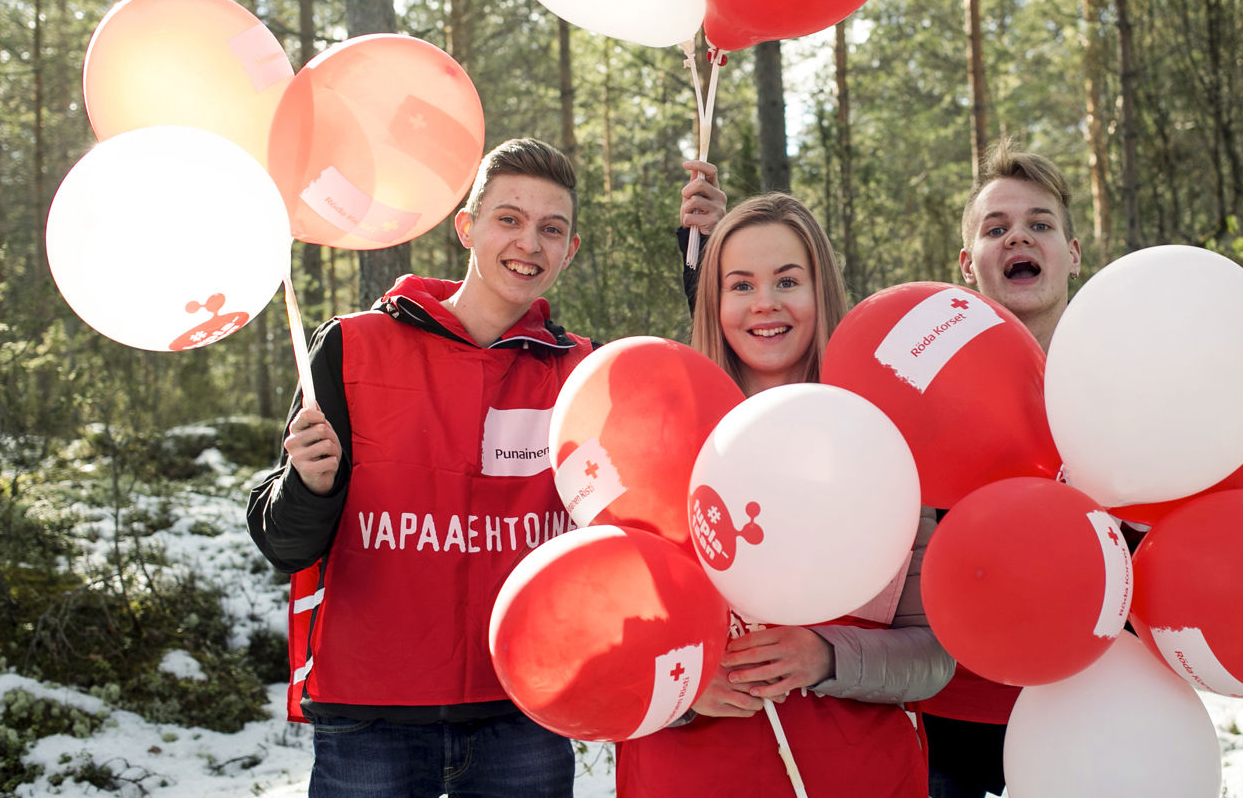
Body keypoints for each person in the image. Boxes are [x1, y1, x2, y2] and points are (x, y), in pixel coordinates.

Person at [246, 137, 594, 798]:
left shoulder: (581, 372)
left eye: (553, 229)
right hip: (371, 718)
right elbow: (284, 544)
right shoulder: (354, 346)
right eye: (509, 219)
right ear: (467, 228)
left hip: (522, 714)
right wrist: (311, 486)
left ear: (569, 251)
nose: (529, 243)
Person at [618, 192, 954, 798]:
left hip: (855, 773)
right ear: (714, 301)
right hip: (691, 775)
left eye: (788, 280)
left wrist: (825, 655)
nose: (765, 303)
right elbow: (608, 634)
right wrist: (684, 683)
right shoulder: (658, 441)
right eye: (740, 284)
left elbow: (933, 657)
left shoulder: (884, 446)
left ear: (820, 292)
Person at [920, 137, 1083, 798]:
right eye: (997, 229)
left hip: (1093, 713)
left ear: (1072, 253)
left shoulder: (1128, 381)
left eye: (1039, 224)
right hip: (947, 725)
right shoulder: (923, 390)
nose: (1019, 237)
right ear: (969, 263)